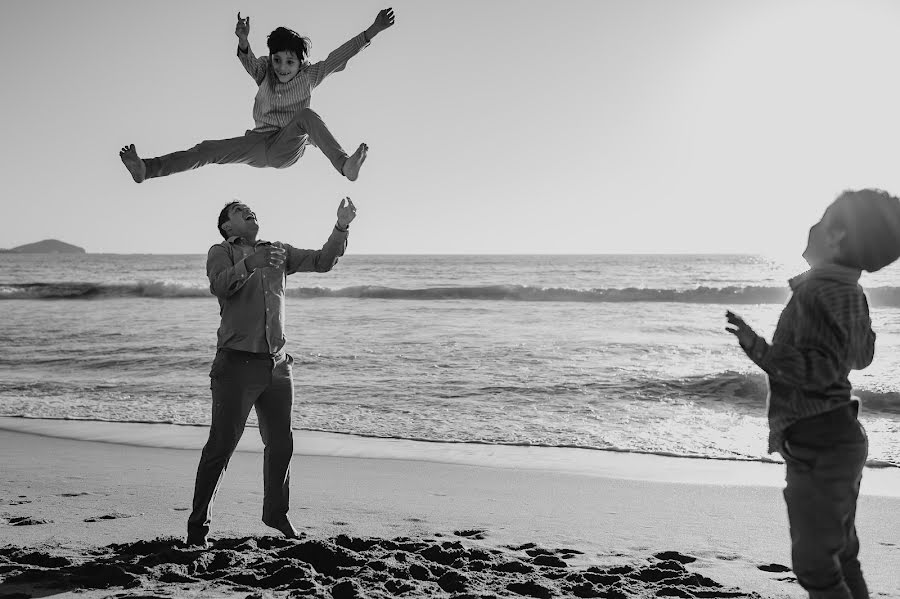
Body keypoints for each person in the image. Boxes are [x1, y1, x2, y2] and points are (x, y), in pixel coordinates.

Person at [725, 189, 900, 599]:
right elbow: (862, 356)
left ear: (836, 236)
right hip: (838, 438)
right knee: (841, 555)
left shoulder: (820, 291)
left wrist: (760, 349)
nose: (811, 228)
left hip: (818, 443)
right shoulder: (849, 292)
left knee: (815, 565)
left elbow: (820, 370)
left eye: (821, 222)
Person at [187, 196, 357, 548]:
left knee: (281, 443)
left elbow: (323, 262)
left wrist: (341, 226)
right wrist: (250, 263)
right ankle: (198, 528)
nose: (248, 211)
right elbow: (219, 286)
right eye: (238, 210)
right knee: (221, 446)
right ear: (227, 226)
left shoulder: (278, 251)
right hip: (235, 363)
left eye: (249, 209)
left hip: (278, 365)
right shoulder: (221, 251)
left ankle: (276, 513)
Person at [120, 8, 395, 184]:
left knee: (307, 116)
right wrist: (243, 40)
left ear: (300, 62)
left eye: (289, 62)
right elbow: (249, 61)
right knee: (207, 149)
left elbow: (339, 56)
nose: (282, 68)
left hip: (286, 147)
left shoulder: (311, 76)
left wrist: (373, 30)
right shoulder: (265, 72)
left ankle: (344, 164)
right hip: (257, 144)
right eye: (278, 60)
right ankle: (146, 169)